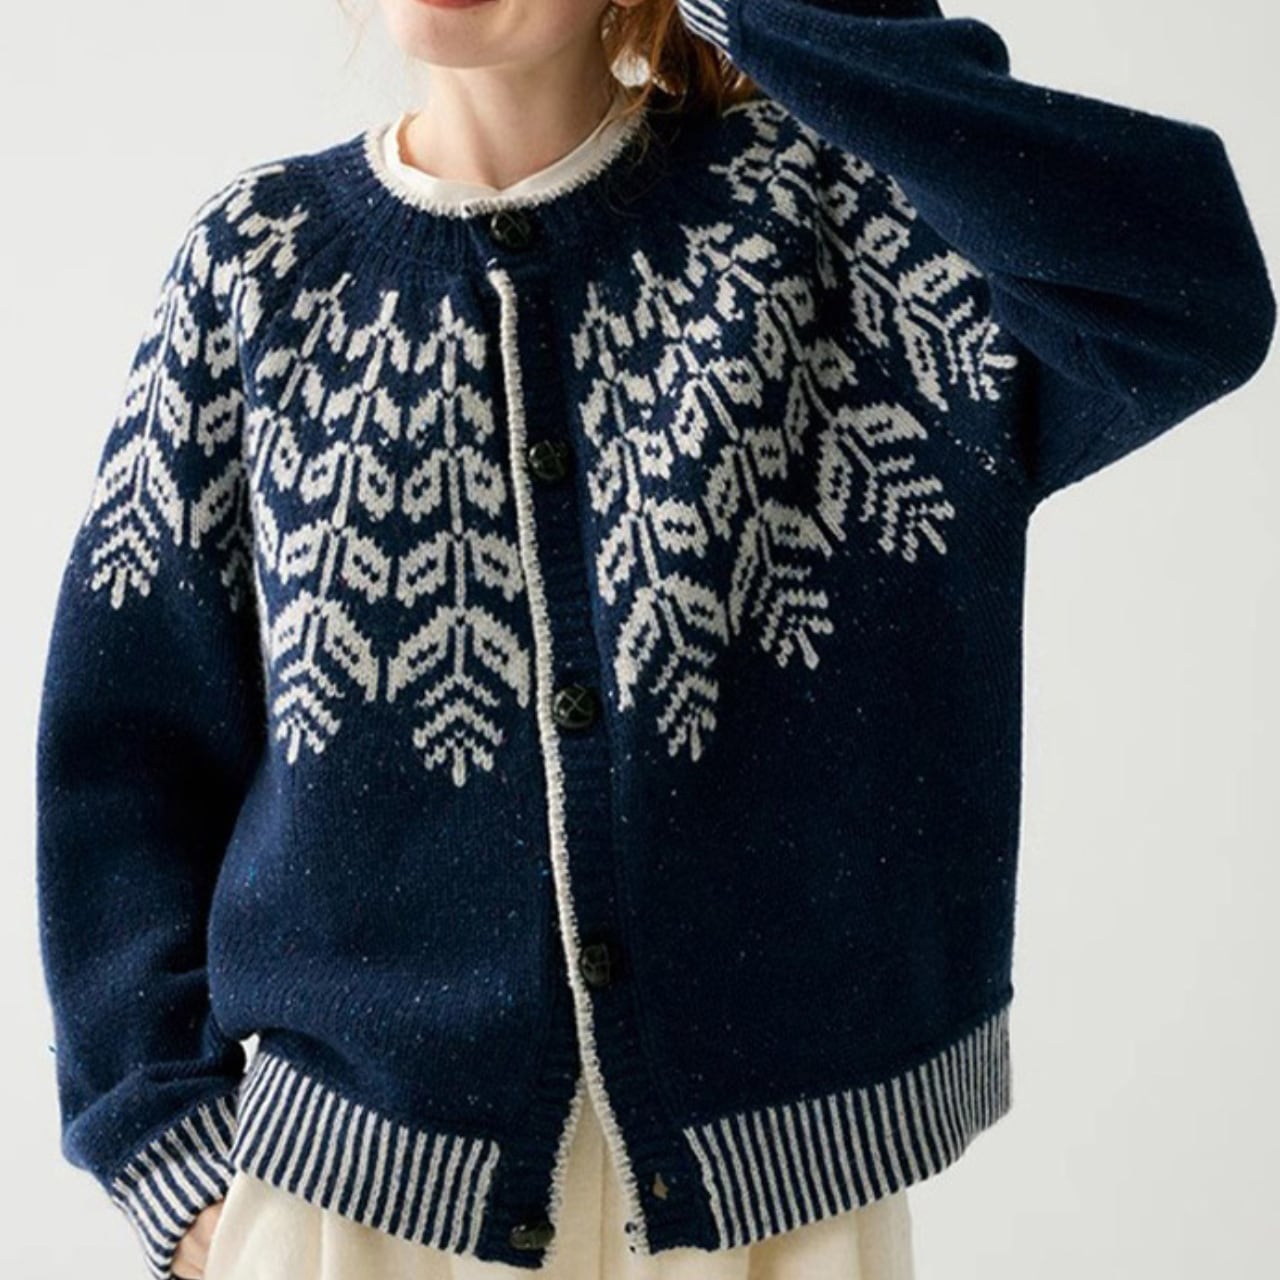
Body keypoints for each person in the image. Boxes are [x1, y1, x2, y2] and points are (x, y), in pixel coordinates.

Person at [34, 0, 1273, 1278]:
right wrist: (167, 1149)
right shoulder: (259, 266)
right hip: (349, 1213)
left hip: (777, 1212)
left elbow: (1180, 290)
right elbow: (124, 739)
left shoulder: (829, 222)